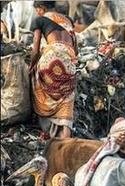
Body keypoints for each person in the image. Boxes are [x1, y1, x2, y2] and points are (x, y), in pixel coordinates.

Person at [30, 1, 78, 139]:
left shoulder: (40, 20)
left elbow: (35, 49)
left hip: (51, 56)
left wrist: (31, 67)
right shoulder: (68, 20)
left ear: (41, 9)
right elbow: (76, 49)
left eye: (37, 9)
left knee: (38, 83)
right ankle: (66, 139)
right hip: (69, 57)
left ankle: (47, 126)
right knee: (67, 96)